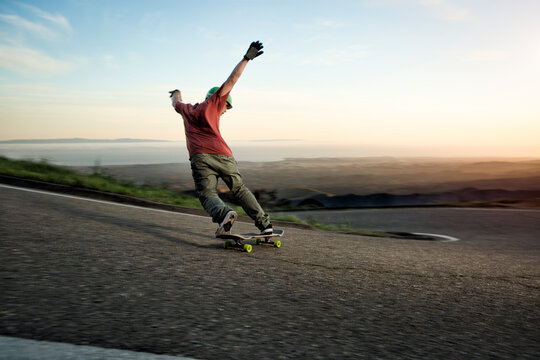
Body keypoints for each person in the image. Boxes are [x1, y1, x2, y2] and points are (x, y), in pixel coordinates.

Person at [169, 41, 273, 236]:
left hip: (200, 158)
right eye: (227, 106)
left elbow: (176, 102)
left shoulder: (186, 109)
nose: (225, 110)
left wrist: (175, 93)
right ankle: (265, 225)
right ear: (218, 98)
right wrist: (246, 59)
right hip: (223, 155)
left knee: (207, 194)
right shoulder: (215, 101)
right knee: (240, 190)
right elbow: (233, 79)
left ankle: (223, 213)